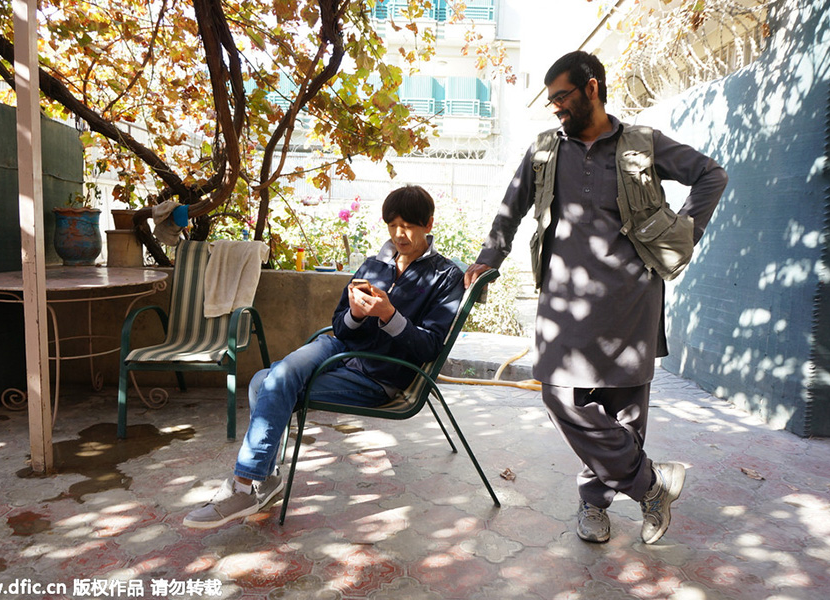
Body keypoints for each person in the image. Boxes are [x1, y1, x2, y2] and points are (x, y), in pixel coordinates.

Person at [464, 51, 728, 544]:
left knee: (624, 411)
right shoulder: (545, 151)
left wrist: (682, 232)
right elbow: (510, 209)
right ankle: (651, 486)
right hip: (563, 303)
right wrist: (488, 259)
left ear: (592, 87)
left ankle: (594, 503)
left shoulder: (641, 144)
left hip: (633, 298)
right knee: (559, 395)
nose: (556, 108)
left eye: (562, 97)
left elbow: (711, 174)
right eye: (551, 101)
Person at [184, 185, 466, 529]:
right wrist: (358, 315)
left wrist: (390, 315)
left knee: (265, 383)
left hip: (379, 374)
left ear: (429, 224)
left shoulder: (445, 276)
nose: (398, 234)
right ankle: (259, 481)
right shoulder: (374, 264)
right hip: (339, 349)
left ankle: (248, 484)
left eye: (408, 225)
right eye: (392, 224)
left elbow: (430, 347)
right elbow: (340, 325)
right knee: (277, 377)